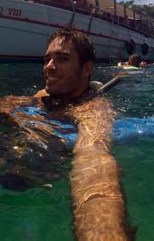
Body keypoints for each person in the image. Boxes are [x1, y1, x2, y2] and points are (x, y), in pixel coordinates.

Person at [34, 26, 133, 240]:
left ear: (86, 69)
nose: (49, 67)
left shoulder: (94, 111)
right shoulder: (43, 96)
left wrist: (101, 230)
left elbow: (94, 159)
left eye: (62, 59)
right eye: (47, 59)